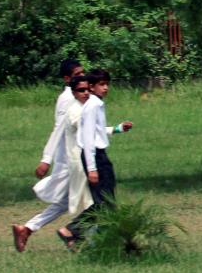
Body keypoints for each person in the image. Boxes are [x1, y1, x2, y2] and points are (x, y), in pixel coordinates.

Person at [13, 62, 94, 252]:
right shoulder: (68, 98)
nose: (82, 76)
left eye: (84, 73)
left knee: (68, 200)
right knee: (84, 197)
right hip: (69, 157)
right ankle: (78, 237)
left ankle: (28, 229)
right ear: (67, 79)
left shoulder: (83, 96)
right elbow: (59, 129)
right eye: (77, 74)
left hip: (76, 154)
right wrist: (46, 158)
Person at [66, 69, 133, 243]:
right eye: (101, 84)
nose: (106, 88)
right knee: (105, 202)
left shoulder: (96, 104)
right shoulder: (92, 106)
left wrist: (117, 128)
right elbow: (88, 139)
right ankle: (73, 230)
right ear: (92, 86)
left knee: (106, 202)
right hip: (95, 157)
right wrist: (92, 168)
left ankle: (98, 237)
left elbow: (96, 132)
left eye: (107, 84)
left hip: (99, 155)